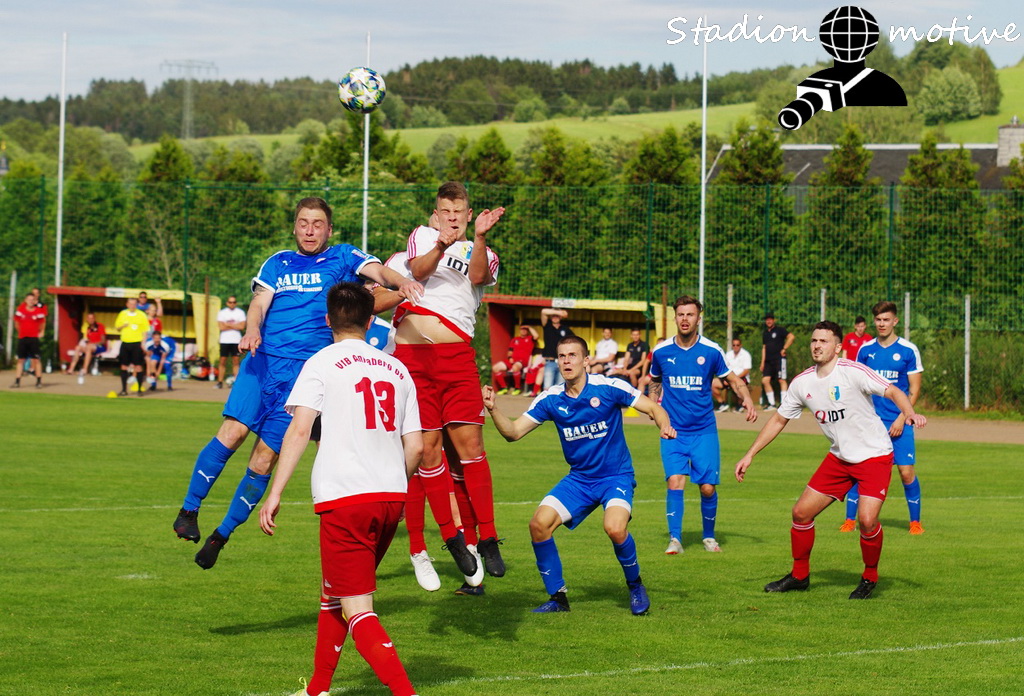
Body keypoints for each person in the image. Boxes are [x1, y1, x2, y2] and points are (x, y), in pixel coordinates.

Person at [172, 197, 422, 570]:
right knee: (233, 433)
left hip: (302, 378)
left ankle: (220, 535)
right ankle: (189, 511)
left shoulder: (343, 257)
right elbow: (259, 303)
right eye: (303, 222)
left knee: (264, 457)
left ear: (329, 229)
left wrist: (404, 282)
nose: (309, 230)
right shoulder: (278, 262)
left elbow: (380, 274)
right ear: (294, 227)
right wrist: (252, 329)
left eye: (317, 223)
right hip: (262, 362)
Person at [258, 282, 422, 696]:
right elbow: (417, 447)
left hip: (345, 498)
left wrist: (275, 492)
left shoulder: (321, 362)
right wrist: (396, 484)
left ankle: (406, 692)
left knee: (358, 609)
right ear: (369, 321)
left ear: (327, 319)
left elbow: (299, 430)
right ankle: (317, 689)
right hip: (390, 497)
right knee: (335, 592)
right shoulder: (397, 368)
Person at [482, 335, 676, 614]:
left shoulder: (608, 387)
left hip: (615, 477)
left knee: (615, 528)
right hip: (580, 480)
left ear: (586, 360)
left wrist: (664, 425)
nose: (566, 361)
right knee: (539, 525)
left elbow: (653, 407)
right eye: (562, 356)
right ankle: (558, 599)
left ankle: (635, 585)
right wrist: (493, 409)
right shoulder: (551, 398)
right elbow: (513, 433)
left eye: (573, 355)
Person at [734, 321, 927, 600]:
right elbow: (778, 420)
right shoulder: (802, 383)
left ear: (837, 348)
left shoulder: (853, 371)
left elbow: (894, 391)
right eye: (814, 340)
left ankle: (869, 577)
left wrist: (908, 413)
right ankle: (799, 576)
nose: (817, 346)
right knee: (801, 513)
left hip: (874, 455)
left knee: (867, 521)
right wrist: (750, 454)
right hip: (839, 458)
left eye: (823, 341)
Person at [390, 181, 507, 581]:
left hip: (456, 358)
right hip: (413, 360)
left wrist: (478, 238)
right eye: (446, 211)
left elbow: (478, 277)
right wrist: (441, 243)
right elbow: (417, 272)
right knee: (427, 450)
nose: (452, 218)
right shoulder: (422, 238)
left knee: (471, 447)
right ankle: (450, 537)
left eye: (459, 212)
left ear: (469, 215)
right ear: (436, 213)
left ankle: (487, 537)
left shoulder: (484, 251)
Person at [648, 297, 757, 555]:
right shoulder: (661, 351)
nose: (685, 319)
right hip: (673, 431)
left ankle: (708, 537)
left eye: (690, 314)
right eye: (681, 314)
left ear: (699, 318)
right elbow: (654, 380)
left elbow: (733, 379)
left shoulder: (711, 351)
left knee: (707, 488)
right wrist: (653, 406)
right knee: (675, 482)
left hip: (703, 431)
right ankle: (675, 540)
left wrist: (747, 398)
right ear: (675, 317)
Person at [842, 301, 926, 534]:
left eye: (886, 319)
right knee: (860, 469)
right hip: (870, 422)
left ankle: (915, 522)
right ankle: (849, 520)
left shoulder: (908, 350)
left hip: (900, 420)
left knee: (906, 472)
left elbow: (914, 390)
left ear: (895, 321)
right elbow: (857, 385)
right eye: (878, 320)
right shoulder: (865, 350)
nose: (882, 324)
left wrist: (902, 417)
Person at [12, 292, 47, 389]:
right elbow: (16, 322)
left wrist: (42, 331)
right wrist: (21, 332)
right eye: (29, 300)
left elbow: (42, 322)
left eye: (32, 300)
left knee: (36, 360)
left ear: (35, 301)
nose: (31, 301)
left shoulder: (38, 311)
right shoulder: (21, 310)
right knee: (20, 360)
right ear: (26, 300)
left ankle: (39, 381)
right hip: (23, 338)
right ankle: (17, 381)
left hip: (33, 338)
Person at [115, 297, 149, 397]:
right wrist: (123, 326)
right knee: (124, 366)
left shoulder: (141, 315)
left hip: (136, 343)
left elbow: (145, 330)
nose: (132, 306)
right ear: (127, 304)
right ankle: (124, 390)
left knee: (138, 366)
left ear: (136, 305)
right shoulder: (122, 314)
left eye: (134, 304)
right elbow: (117, 327)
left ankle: (139, 389)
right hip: (125, 342)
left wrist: (143, 343)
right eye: (130, 304)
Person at [760, 312, 794, 410]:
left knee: (781, 380)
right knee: (765, 380)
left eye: (770, 319)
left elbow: (791, 337)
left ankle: (784, 404)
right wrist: (762, 362)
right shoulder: (765, 333)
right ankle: (772, 404)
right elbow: (764, 348)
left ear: (774, 320)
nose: (769, 321)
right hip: (768, 361)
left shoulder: (780, 330)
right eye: (767, 320)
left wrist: (784, 348)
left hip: (779, 359)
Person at [493, 324, 538, 395]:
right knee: (495, 368)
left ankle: (517, 388)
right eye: (522, 329)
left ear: (528, 331)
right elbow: (510, 351)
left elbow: (536, 336)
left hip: (523, 361)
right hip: (512, 360)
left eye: (525, 329)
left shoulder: (530, 339)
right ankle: (504, 388)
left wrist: (529, 327)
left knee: (515, 367)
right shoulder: (515, 339)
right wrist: (510, 358)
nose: (523, 331)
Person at [712, 337, 753, 412]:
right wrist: (726, 378)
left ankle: (741, 405)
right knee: (712, 383)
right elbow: (724, 368)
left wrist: (734, 379)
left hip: (741, 377)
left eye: (737, 345)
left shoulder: (746, 354)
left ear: (741, 345)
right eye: (734, 345)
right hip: (728, 377)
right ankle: (722, 404)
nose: (735, 347)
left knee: (738, 384)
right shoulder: (728, 354)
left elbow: (746, 371)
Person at [216, 295, 246, 389]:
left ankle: (236, 382)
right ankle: (220, 381)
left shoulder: (240, 312)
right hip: (225, 340)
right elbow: (221, 327)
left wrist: (227, 324)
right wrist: (235, 325)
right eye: (230, 302)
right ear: (227, 303)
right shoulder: (222, 312)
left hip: (236, 340)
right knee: (222, 360)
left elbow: (242, 326)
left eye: (234, 302)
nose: (232, 304)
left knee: (236, 361)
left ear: (236, 303)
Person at [67, 312, 106, 383]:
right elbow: (89, 340)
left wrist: (93, 344)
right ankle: (71, 369)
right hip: (90, 346)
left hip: (100, 347)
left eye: (92, 318)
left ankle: (85, 369)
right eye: (89, 318)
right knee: (78, 347)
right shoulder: (88, 329)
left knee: (89, 347)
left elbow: (103, 341)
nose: (90, 320)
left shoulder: (100, 326)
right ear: (87, 319)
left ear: (94, 319)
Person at [540, 308, 573, 389]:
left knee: (560, 388)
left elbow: (573, 342)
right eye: (553, 316)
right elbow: (543, 312)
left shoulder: (565, 329)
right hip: (550, 362)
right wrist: (559, 312)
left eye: (557, 316)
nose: (555, 317)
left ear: (560, 317)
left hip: (562, 362)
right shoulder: (547, 326)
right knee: (547, 388)